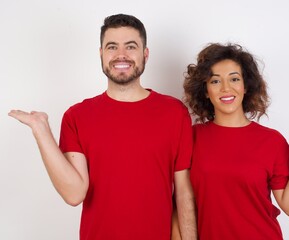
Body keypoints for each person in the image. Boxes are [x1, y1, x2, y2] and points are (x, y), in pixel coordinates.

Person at [9, 14, 197, 240]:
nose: (121, 55)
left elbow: (184, 194)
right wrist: (41, 131)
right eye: (112, 47)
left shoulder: (174, 113)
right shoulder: (77, 116)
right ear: (101, 54)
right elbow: (74, 193)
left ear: (145, 54)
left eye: (131, 46)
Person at [179, 43, 289, 239]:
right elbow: (180, 200)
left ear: (245, 86)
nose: (226, 88)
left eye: (234, 79)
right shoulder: (192, 136)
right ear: (205, 90)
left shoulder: (271, 141)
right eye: (215, 81)